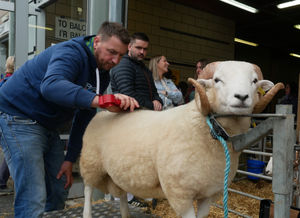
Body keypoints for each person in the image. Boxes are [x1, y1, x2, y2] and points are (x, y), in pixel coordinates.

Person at [0, 21, 139, 218]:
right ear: (97, 42)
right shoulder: (71, 52)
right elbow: (51, 85)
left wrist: (70, 158)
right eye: (111, 52)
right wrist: (100, 100)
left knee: (58, 188)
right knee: (33, 193)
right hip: (18, 115)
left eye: (121, 55)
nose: (116, 60)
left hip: (47, 124)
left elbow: (85, 114)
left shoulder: (102, 72)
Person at [110, 32, 163, 111]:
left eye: (145, 49)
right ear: (129, 47)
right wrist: (152, 106)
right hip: (129, 116)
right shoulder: (123, 65)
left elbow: (154, 92)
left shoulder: (144, 68)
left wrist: (158, 101)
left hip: (145, 115)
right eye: (138, 48)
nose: (142, 52)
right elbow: (128, 94)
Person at [0, 56, 15, 192]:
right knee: (10, 154)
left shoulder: (3, 80)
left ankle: (2, 180)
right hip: (10, 122)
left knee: (8, 153)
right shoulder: (15, 81)